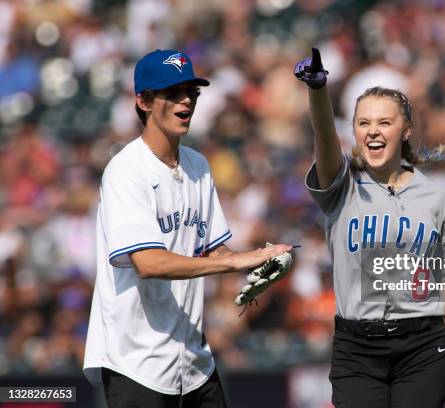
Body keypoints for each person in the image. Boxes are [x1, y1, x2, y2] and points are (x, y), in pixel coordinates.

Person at [83, 49, 292, 408]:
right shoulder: (125, 170)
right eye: (173, 92)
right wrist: (233, 264)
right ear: (144, 101)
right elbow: (149, 263)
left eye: (191, 92)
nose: (186, 101)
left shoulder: (198, 164)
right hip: (136, 363)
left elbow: (213, 250)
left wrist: (261, 261)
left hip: (193, 360)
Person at [294, 48, 445, 407]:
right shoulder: (340, 185)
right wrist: (318, 91)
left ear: (406, 130)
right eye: (363, 123)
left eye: (384, 122)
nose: (373, 131)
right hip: (357, 347)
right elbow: (323, 139)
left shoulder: (436, 198)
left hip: (423, 345)